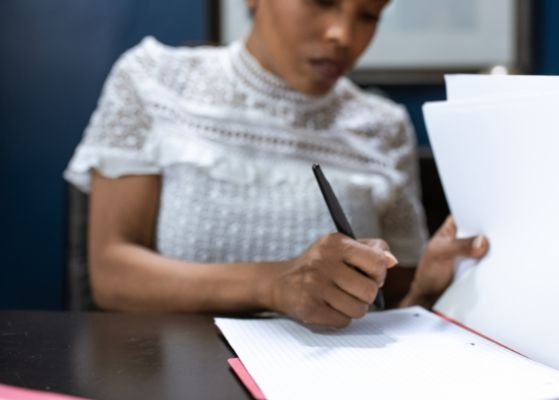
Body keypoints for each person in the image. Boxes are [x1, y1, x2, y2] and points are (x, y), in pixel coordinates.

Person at [64, 0, 488, 328]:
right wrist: (274, 284)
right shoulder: (153, 80)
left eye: (368, 15)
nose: (343, 35)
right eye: (321, 2)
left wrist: (426, 290)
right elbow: (112, 276)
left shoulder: (385, 127)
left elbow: (390, 306)